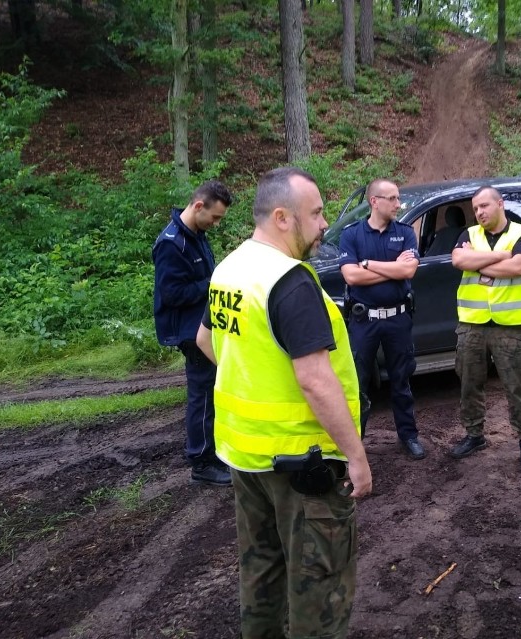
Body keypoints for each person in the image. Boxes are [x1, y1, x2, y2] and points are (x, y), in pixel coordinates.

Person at [195, 167, 372, 639]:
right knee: (319, 592)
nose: (323, 225)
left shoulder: (229, 269)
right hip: (302, 469)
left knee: (261, 575)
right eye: (315, 214)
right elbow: (315, 380)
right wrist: (356, 456)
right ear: (282, 217)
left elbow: (206, 341)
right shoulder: (290, 281)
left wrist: (256, 379)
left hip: (245, 458)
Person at [449, 185, 521, 475]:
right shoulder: (469, 234)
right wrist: (503, 257)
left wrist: (479, 262)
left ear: (500, 204)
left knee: (518, 387)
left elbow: (520, 266)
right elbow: (458, 260)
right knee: (469, 383)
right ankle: (474, 435)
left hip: (510, 327)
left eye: (485, 206)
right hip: (471, 325)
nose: (480, 213)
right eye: (476, 209)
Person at [153, 180, 233, 486]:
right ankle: (201, 461)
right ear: (198, 206)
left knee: (213, 391)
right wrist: (214, 282)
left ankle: (214, 452)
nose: (216, 224)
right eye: (214, 217)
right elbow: (172, 294)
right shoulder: (172, 244)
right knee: (201, 395)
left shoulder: (196, 234)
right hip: (189, 330)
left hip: (205, 323)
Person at [338, 179, 425, 459]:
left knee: (402, 379)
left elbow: (408, 271)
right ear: (374, 201)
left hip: (398, 320)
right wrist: (393, 268)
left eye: (398, 198)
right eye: (392, 198)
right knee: (358, 383)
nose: (398, 204)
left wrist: (368, 264)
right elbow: (351, 276)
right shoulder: (351, 235)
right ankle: (356, 444)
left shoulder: (405, 232)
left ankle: (408, 435)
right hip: (364, 322)